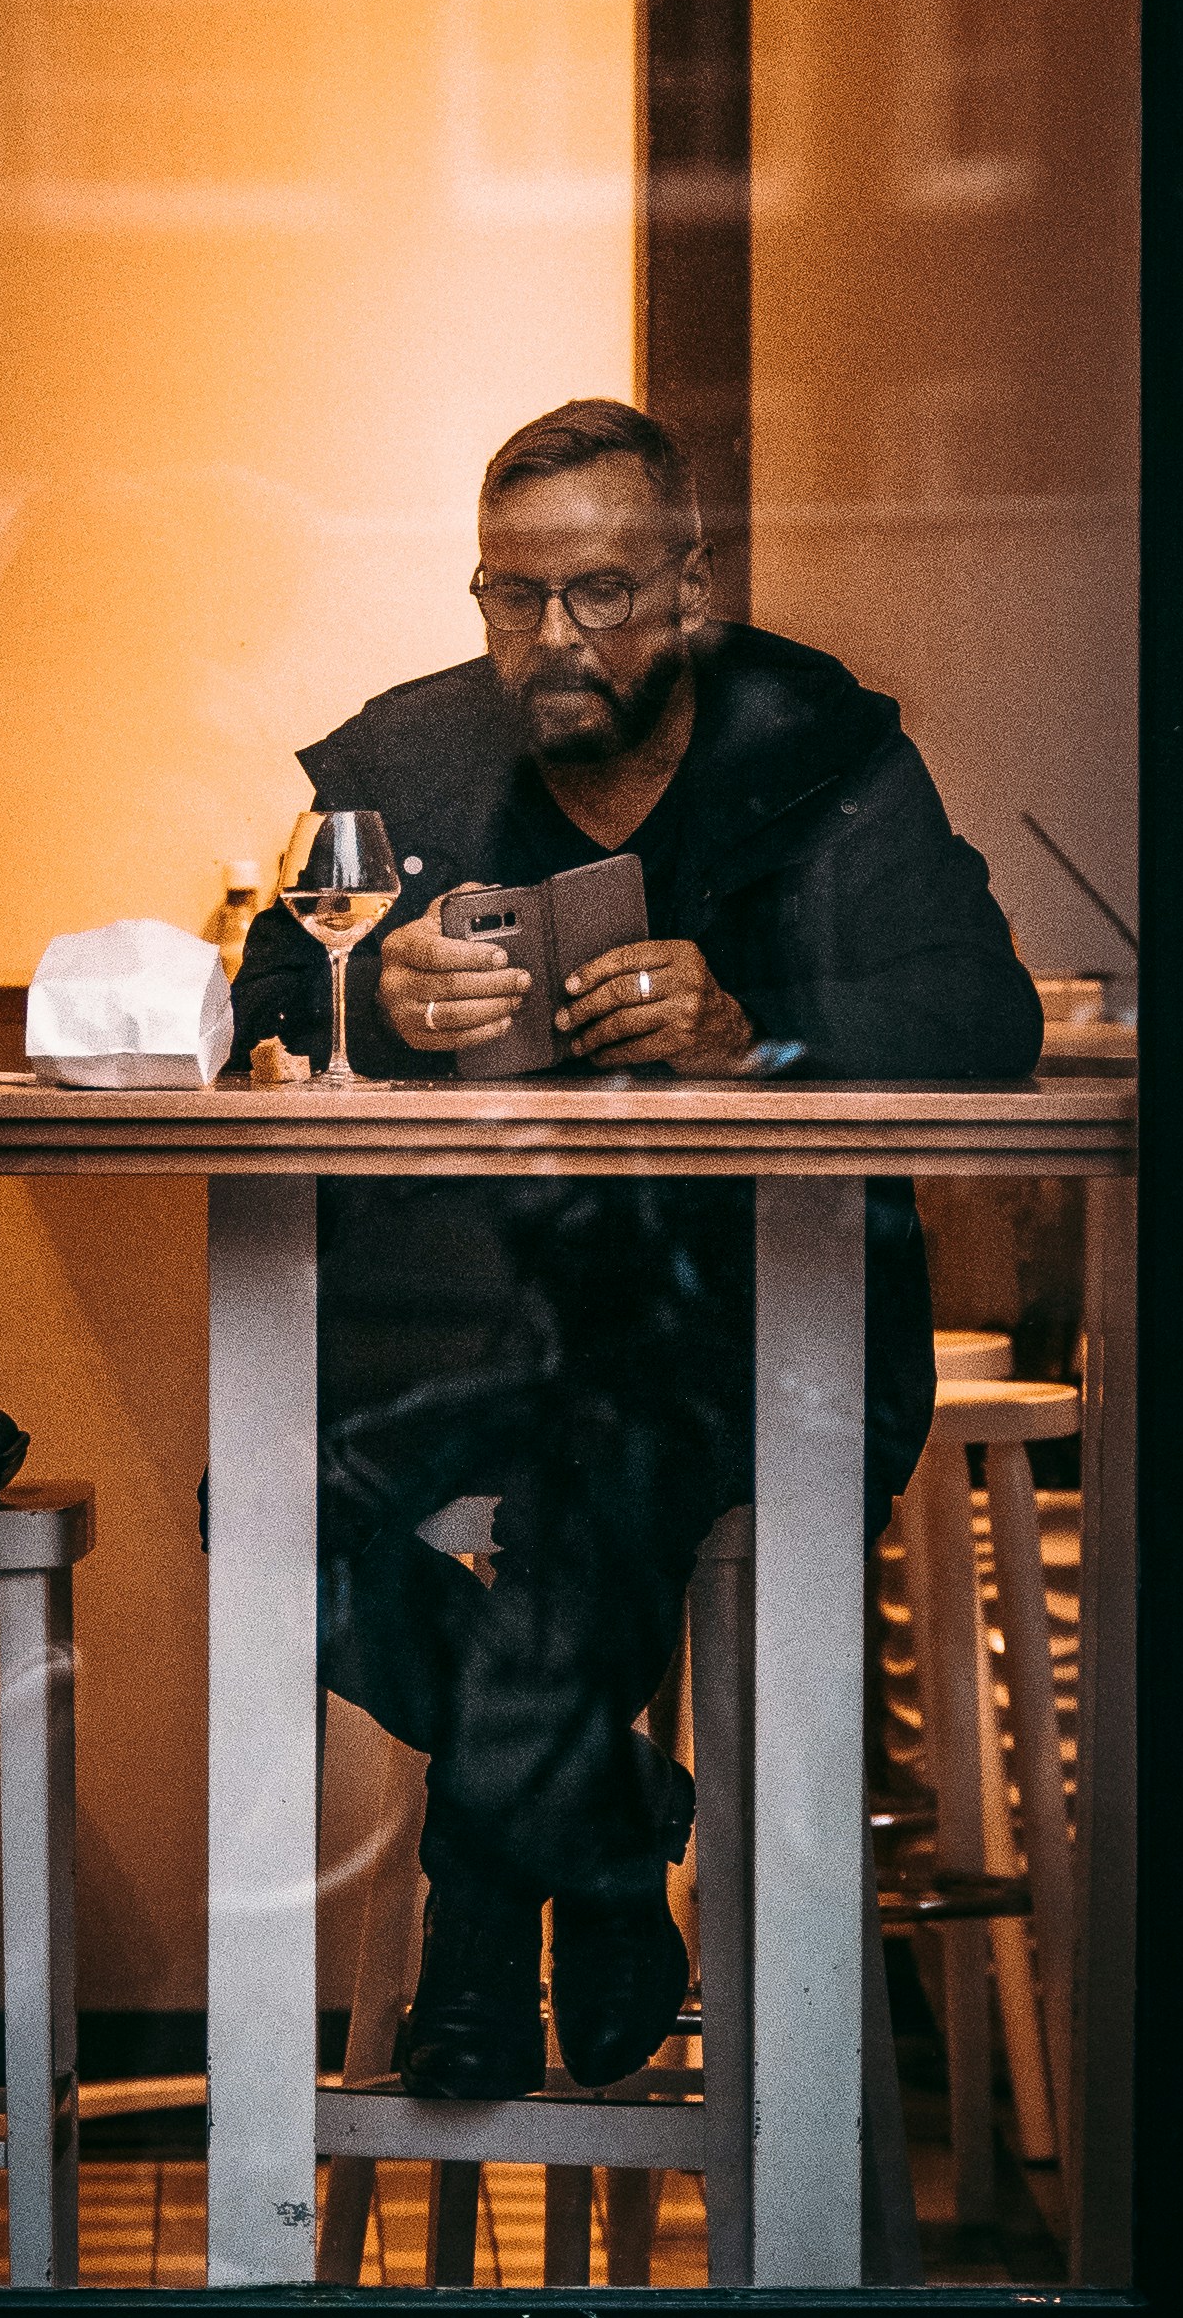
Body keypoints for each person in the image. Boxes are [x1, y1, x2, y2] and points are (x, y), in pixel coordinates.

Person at [231, 397, 1039, 2103]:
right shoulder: (409, 760)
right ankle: (608, 1836)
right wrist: (368, 991)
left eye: (598, 595)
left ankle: (474, 1958)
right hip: (461, 1323)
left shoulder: (820, 751)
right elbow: (262, 1005)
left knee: (602, 1473)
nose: (553, 639)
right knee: (262, 1514)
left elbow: (982, 1012)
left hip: (756, 1331)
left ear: (690, 588)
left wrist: (759, 1031)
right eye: (512, 597)